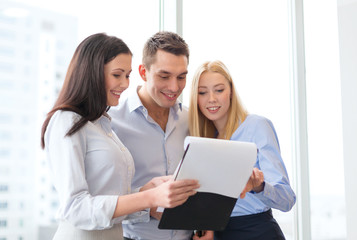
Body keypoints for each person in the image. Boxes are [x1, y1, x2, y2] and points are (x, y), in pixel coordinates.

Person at [40, 33, 199, 240]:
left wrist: (145, 193)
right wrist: (148, 197)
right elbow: (76, 208)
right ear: (93, 73)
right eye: (117, 75)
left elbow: (110, 204)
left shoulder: (102, 123)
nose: (125, 84)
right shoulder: (67, 121)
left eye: (127, 75)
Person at [189, 60, 296, 240]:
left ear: (231, 92)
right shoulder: (201, 140)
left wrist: (259, 186)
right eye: (202, 92)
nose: (211, 99)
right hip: (219, 234)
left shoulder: (257, 126)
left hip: (256, 231)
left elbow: (287, 200)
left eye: (219, 90)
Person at [109, 31, 193, 240]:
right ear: (143, 72)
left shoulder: (191, 120)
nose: (174, 87)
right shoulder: (112, 122)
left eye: (181, 77)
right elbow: (101, 202)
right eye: (164, 76)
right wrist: (147, 205)